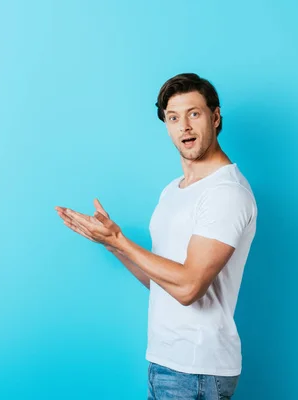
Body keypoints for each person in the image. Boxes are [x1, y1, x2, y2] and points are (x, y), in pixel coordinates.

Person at [55, 73, 257, 400]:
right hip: (165, 363)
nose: (184, 127)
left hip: (196, 368)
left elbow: (189, 287)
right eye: (173, 118)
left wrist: (121, 240)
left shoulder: (225, 193)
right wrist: (112, 244)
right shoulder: (172, 191)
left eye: (194, 114)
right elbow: (162, 282)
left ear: (215, 117)